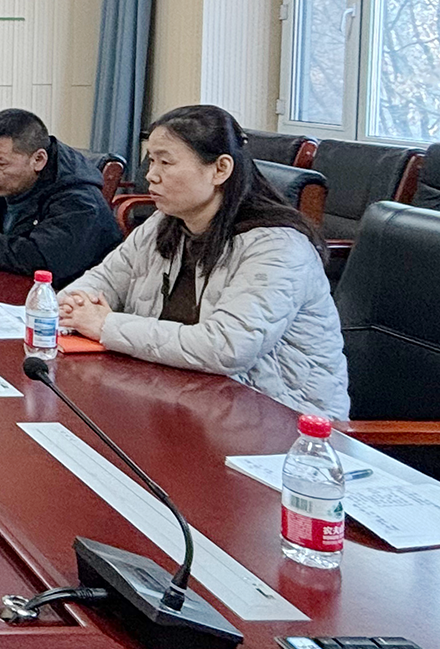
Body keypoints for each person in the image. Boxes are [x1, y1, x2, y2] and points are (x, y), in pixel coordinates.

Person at [57, 104, 349, 419]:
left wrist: (106, 325)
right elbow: (104, 279)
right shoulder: (164, 223)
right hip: (180, 399)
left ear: (220, 169)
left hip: (283, 423)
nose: (151, 175)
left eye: (165, 162)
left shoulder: (279, 248)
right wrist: (75, 303)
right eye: (151, 160)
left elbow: (227, 347)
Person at [0, 108, 122, 281]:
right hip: (5, 288)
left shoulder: (79, 201)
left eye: (0, 163)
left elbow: (38, 259)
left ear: (38, 159)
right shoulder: (9, 183)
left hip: (64, 299)